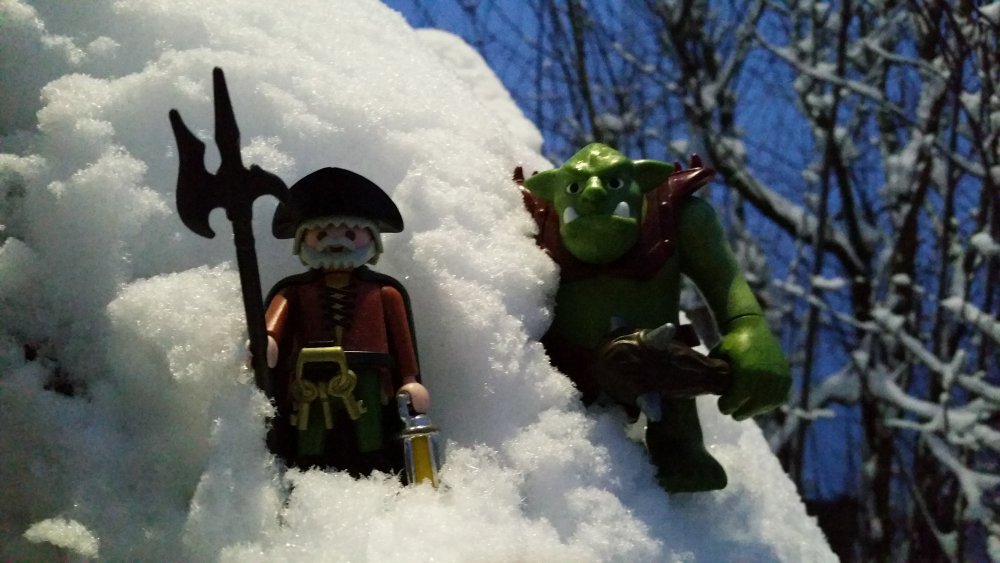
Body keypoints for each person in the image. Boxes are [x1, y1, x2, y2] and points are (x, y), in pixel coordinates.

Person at [263, 167, 428, 477]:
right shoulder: (294, 292)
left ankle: (377, 474)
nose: (336, 242)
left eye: (351, 234)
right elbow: (274, 324)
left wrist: (409, 378)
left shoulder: (385, 293)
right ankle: (306, 477)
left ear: (372, 239)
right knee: (309, 436)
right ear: (303, 241)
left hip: (369, 378)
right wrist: (268, 340)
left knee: (371, 435)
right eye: (321, 234)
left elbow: (401, 341)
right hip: (309, 378)